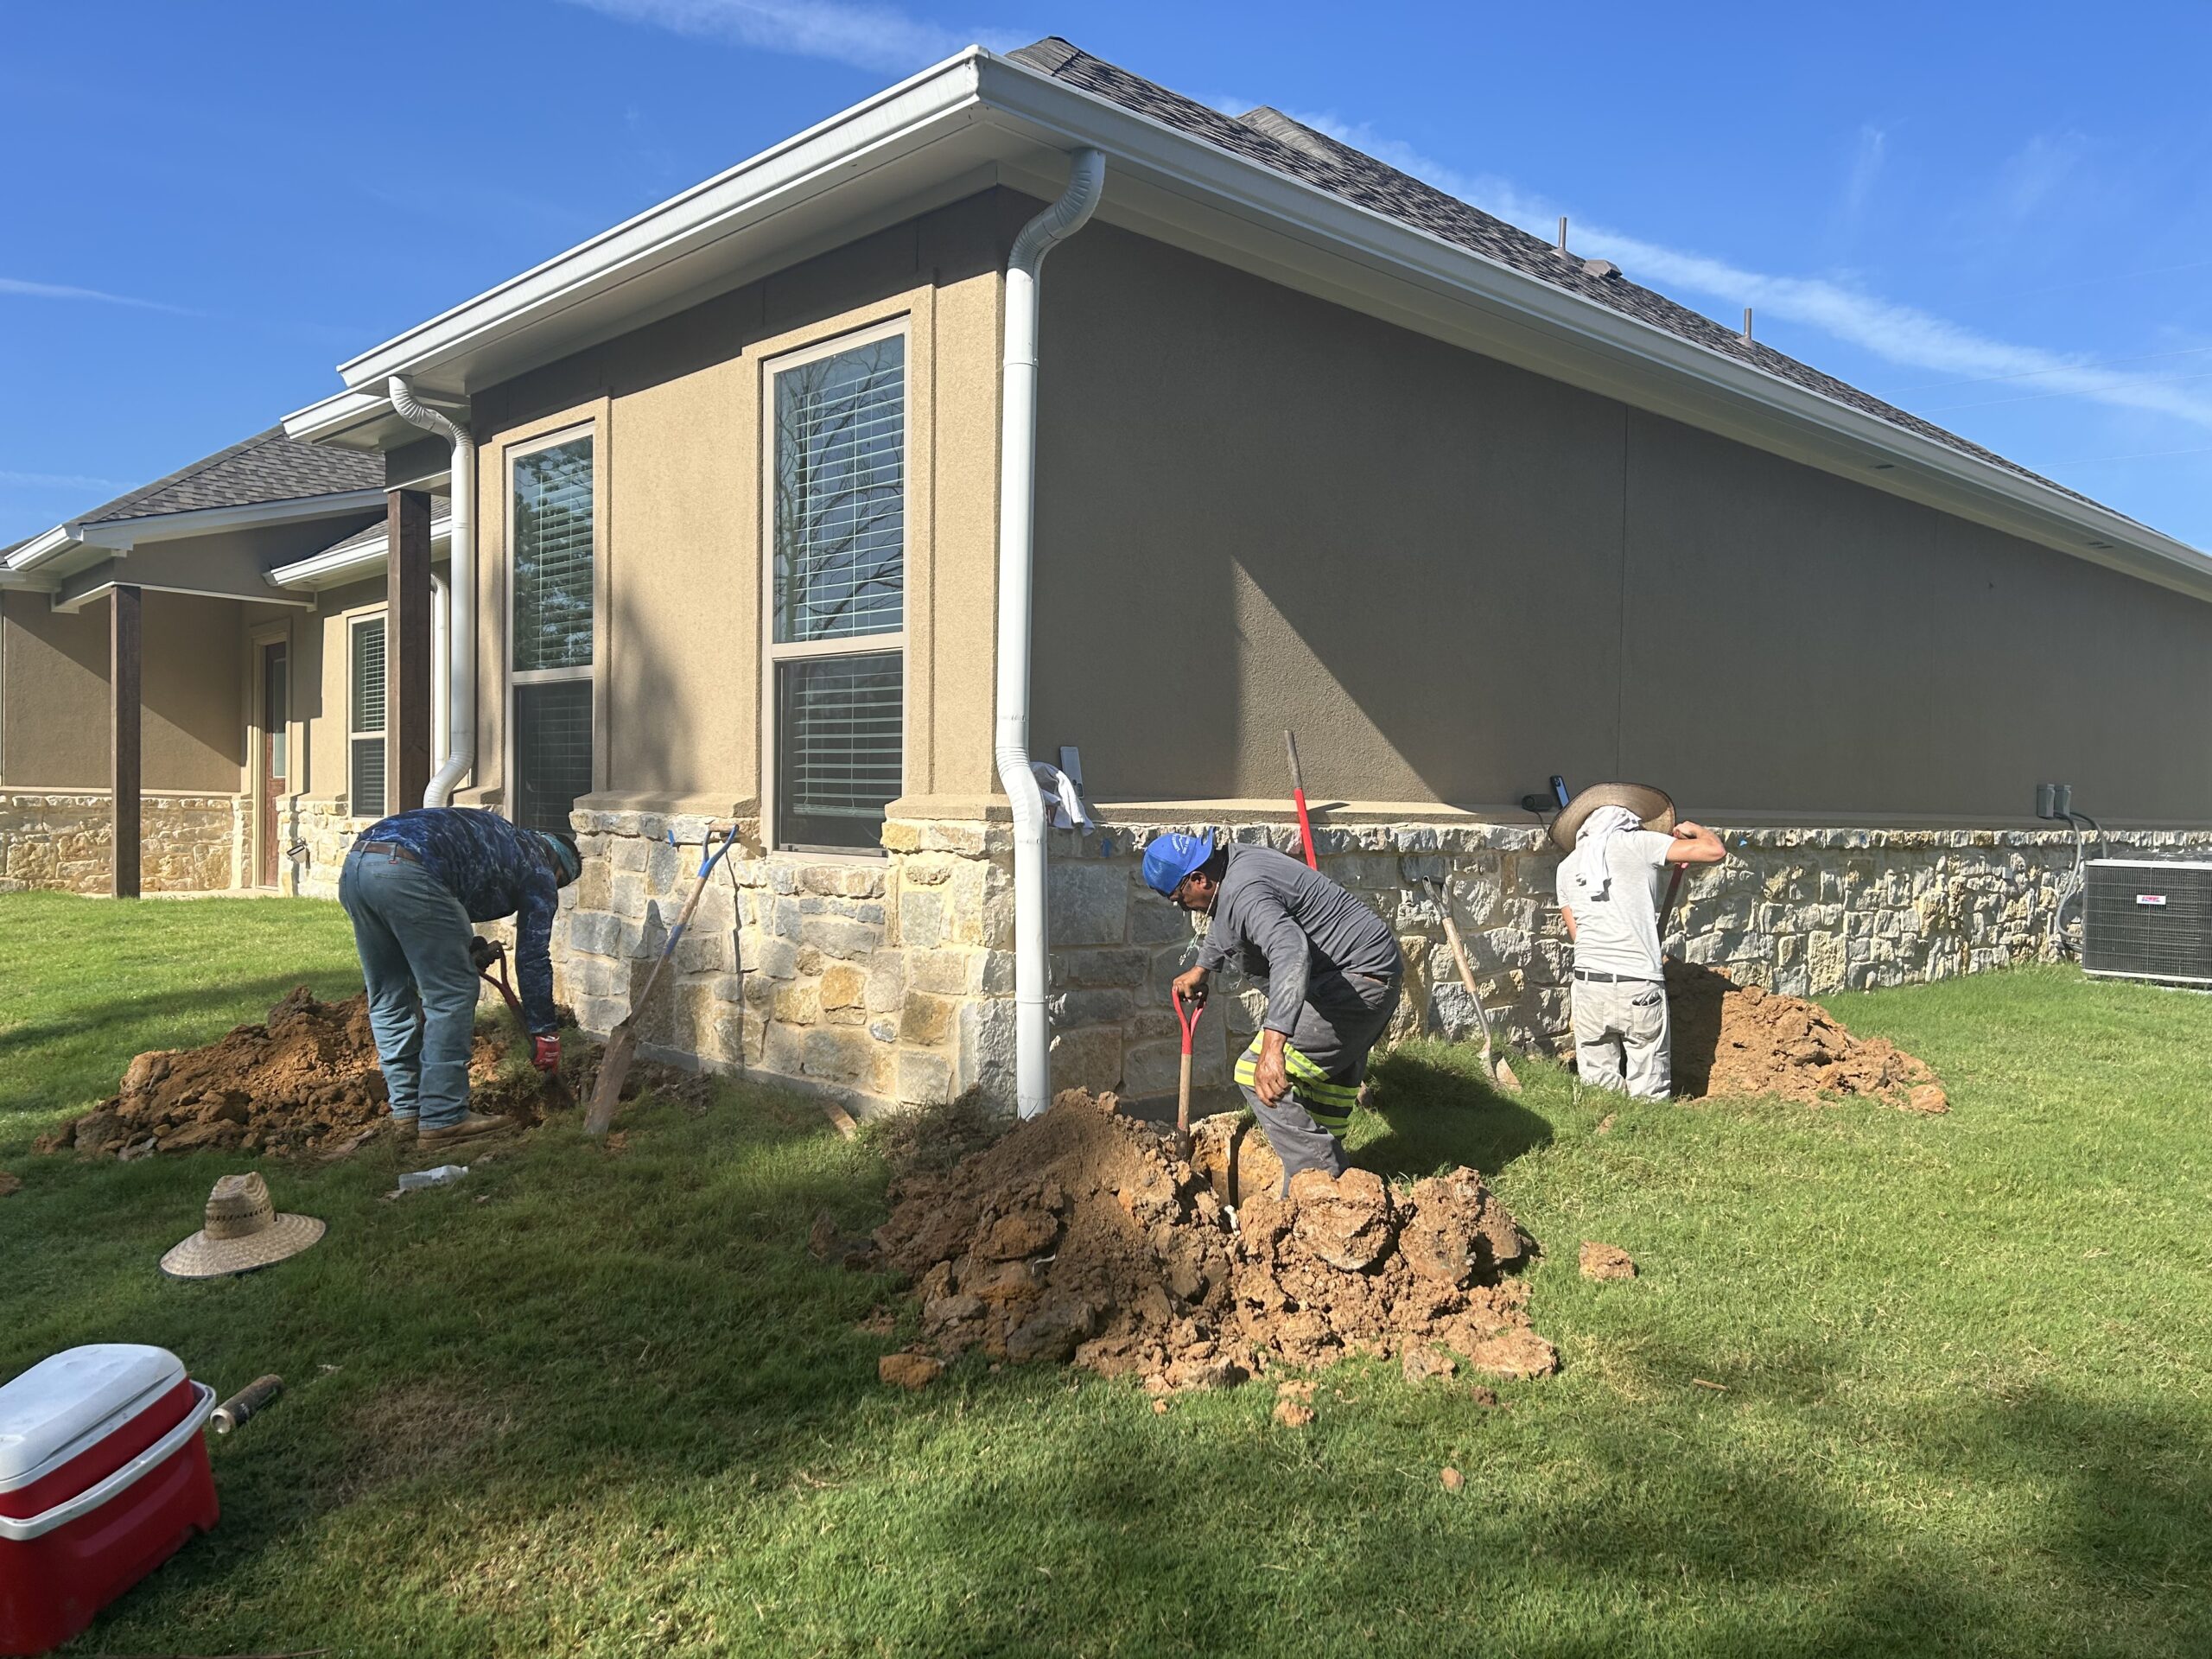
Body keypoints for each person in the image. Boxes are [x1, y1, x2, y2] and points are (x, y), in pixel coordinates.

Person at [1146, 832, 1403, 1187]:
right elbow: (1225, 916)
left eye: (1180, 898)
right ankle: (1309, 1187)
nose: (1184, 907)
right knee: (1317, 1106)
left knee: (1256, 1072)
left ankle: (1325, 1190)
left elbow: (1290, 951)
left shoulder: (1244, 890)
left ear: (1199, 880)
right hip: (1360, 974)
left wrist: (1273, 1046)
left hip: (1356, 987)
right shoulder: (1231, 865)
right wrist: (1202, 968)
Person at [338, 807, 580, 1151]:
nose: (553, 889)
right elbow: (533, 956)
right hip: (409, 872)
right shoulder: (539, 867)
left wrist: (467, 947)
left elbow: (451, 892)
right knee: (451, 994)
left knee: (390, 994)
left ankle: (407, 1111)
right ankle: (444, 1117)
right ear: (558, 868)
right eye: (560, 883)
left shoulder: (503, 839)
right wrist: (545, 1030)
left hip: (358, 868)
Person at [1552, 787, 1726, 1101]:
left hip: (1590, 985)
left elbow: (1577, 934)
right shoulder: (1641, 844)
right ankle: (1644, 1134)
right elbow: (1713, 851)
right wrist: (1692, 830)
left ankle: (1604, 1135)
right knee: (1649, 1082)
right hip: (1639, 984)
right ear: (1628, 819)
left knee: (1598, 1087)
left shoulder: (1566, 868)